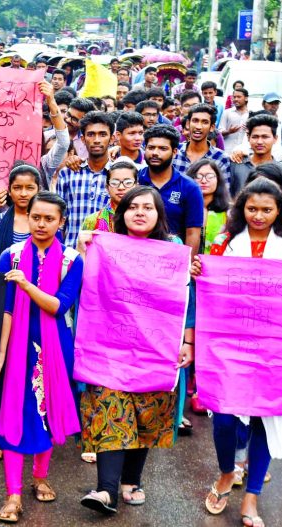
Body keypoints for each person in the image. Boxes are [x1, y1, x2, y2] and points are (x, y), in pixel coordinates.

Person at [195, 177, 282, 527]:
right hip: (230, 345)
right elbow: (210, 287)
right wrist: (199, 272)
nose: (258, 215)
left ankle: (251, 498)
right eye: (252, 209)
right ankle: (226, 473)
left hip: (275, 348)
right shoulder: (223, 242)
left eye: (267, 210)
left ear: (280, 211)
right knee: (222, 415)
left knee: (266, 418)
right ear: (241, 209)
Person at [79, 186, 194, 516]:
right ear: (122, 213)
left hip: (157, 348)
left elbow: (188, 300)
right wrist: (83, 251)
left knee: (147, 412)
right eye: (133, 207)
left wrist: (187, 341)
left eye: (148, 207)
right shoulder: (103, 246)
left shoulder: (173, 251)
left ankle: (132, 480)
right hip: (108, 347)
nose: (140, 212)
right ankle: (106, 490)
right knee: (109, 410)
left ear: (159, 214)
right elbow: (86, 285)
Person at [0, 191, 82, 523]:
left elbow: (59, 306)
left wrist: (27, 287)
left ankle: (40, 476)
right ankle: (13, 494)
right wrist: (0, 352)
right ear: (26, 216)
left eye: (49, 218)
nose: (41, 224)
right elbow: (5, 309)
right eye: (36, 217)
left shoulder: (73, 260)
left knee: (47, 412)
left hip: (55, 349)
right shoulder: (11, 256)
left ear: (61, 222)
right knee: (14, 414)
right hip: (16, 347)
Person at [138, 125, 204, 252]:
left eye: (163, 148)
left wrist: (187, 267)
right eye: (151, 147)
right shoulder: (136, 179)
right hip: (137, 255)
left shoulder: (190, 187)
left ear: (174, 152)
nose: (155, 153)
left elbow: (193, 233)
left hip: (172, 259)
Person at [57, 112, 114, 247]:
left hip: (107, 255)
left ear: (111, 139)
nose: (96, 140)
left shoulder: (119, 176)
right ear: (83, 139)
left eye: (102, 134)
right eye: (91, 134)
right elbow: (59, 219)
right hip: (72, 253)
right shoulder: (68, 173)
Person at [174, 104, 231, 179]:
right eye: (195, 121)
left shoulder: (221, 158)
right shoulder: (174, 152)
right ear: (188, 123)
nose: (198, 127)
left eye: (205, 122)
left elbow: (224, 189)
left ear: (212, 127)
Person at [81, 159, 136, 232]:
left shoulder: (143, 219)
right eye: (114, 183)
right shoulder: (92, 221)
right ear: (107, 187)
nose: (121, 187)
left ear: (136, 186)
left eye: (128, 182)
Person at [220, 88, 250, 153]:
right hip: (227, 151)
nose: (236, 99)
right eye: (234, 97)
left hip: (244, 152)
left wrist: (249, 129)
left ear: (246, 98)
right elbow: (219, 133)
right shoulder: (226, 113)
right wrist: (229, 131)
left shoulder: (251, 114)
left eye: (239, 97)